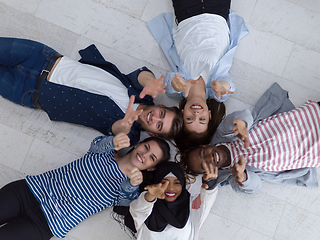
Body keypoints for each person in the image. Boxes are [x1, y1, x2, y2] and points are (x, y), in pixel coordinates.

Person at [0, 37, 183, 146]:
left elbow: (117, 131)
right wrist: (150, 82)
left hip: (30, 91)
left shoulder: (131, 135)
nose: (155, 118)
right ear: (160, 106)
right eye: (161, 114)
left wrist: (126, 123)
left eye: (158, 125)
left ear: (153, 133)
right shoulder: (142, 92)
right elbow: (142, 75)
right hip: (44, 58)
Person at [0, 132, 170, 239]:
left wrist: (133, 184)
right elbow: (97, 144)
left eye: (152, 157)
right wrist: (114, 141)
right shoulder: (103, 153)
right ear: (138, 144)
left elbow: (127, 200)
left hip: (47, 223)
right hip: (29, 191)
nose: (144, 154)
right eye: (146, 147)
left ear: (151, 167)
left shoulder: (129, 189)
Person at [147, 0, 249, 150]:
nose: (196, 113)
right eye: (201, 119)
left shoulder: (177, 90)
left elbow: (171, 82)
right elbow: (228, 86)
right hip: (218, 14)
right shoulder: (217, 93)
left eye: (189, 119)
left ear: (182, 113)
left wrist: (178, 82)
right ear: (209, 115)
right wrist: (221, 86)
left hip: (187, 14)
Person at [181, 97, 320, 194]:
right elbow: (255, 186)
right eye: (205, 165)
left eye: (204, 153)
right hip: (313, 151)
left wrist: (241, 123)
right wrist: (243, 177)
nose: (210, 158)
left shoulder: (222, 134)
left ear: (205, 145)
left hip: (308, 119)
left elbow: (243, 116)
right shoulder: (230, 176)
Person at [129, 161, 218, 240]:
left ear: (183, 184)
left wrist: (210, 183)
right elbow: (138, 209)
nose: (171, 188)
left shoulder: (191, 208)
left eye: (176, 183)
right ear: (157, 183)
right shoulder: (148, 209)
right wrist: (151, 194)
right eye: (164, 182)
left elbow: (206, 202)